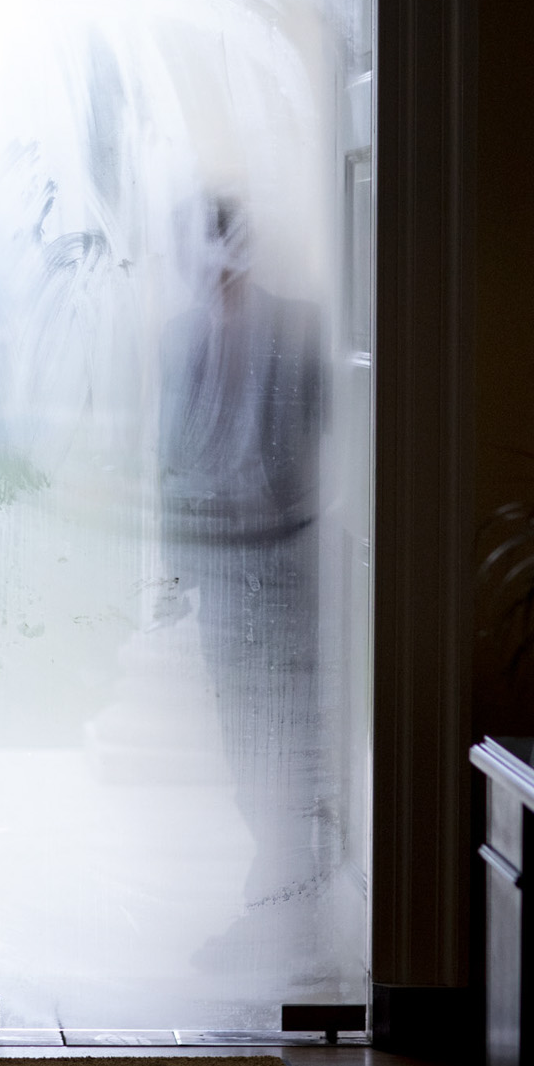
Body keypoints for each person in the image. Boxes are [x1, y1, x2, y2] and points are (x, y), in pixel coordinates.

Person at [156, 194, 330, 978]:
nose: (202, 265)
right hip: (222, 572)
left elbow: (335, 442)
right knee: (241, 741)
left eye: (213, 245)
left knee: (290, 743)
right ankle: (278, 905)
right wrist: (173, 568)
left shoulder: (299, 330)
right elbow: (168, 454)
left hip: (290, 572)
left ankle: (290, 912)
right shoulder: (181, 338)